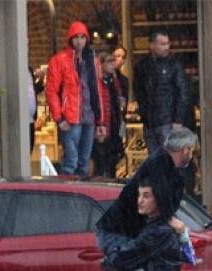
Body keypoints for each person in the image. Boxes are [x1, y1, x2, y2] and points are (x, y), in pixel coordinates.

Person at [45, 21, 105, 177]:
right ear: (70, 39)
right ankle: (70, 196)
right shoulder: (59, 60)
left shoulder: (92, 60)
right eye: (76, 37)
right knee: (71, 161)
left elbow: (97, 91)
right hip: (70, 117)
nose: (80, 41)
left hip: (88, 116)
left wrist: (100, 121)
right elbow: (51, 91)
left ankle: (79, 196)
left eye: (82, 37)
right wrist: (59, 118)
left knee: (84, 161)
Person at [133, 30, 191, 155]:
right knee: (154, 161)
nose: (167, 47)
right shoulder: (142, 66)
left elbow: (182, 93)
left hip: (167, 121)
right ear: (152, 45)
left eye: (167, 44)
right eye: (162, 44)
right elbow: (138, 91)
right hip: (149, 122)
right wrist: (144, 113)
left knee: (169, 159)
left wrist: (177, 120)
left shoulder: (174, 66)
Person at [91, 50, 128, 179]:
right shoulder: (96, 83)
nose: (114, 63)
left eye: (114, 60)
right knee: (100, 164)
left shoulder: (117, 81)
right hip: (102, 127)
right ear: (100, 64)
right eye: (110, 61)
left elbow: (121, 108)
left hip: (114, 126)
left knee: (112, 163)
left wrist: (122, 103)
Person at [28, 66, 45, 153]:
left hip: (30, 119)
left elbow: (33, 90)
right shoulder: (18, 68)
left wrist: (41, 81)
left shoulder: (29, 70)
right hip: (22, 119)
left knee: (30, 146)